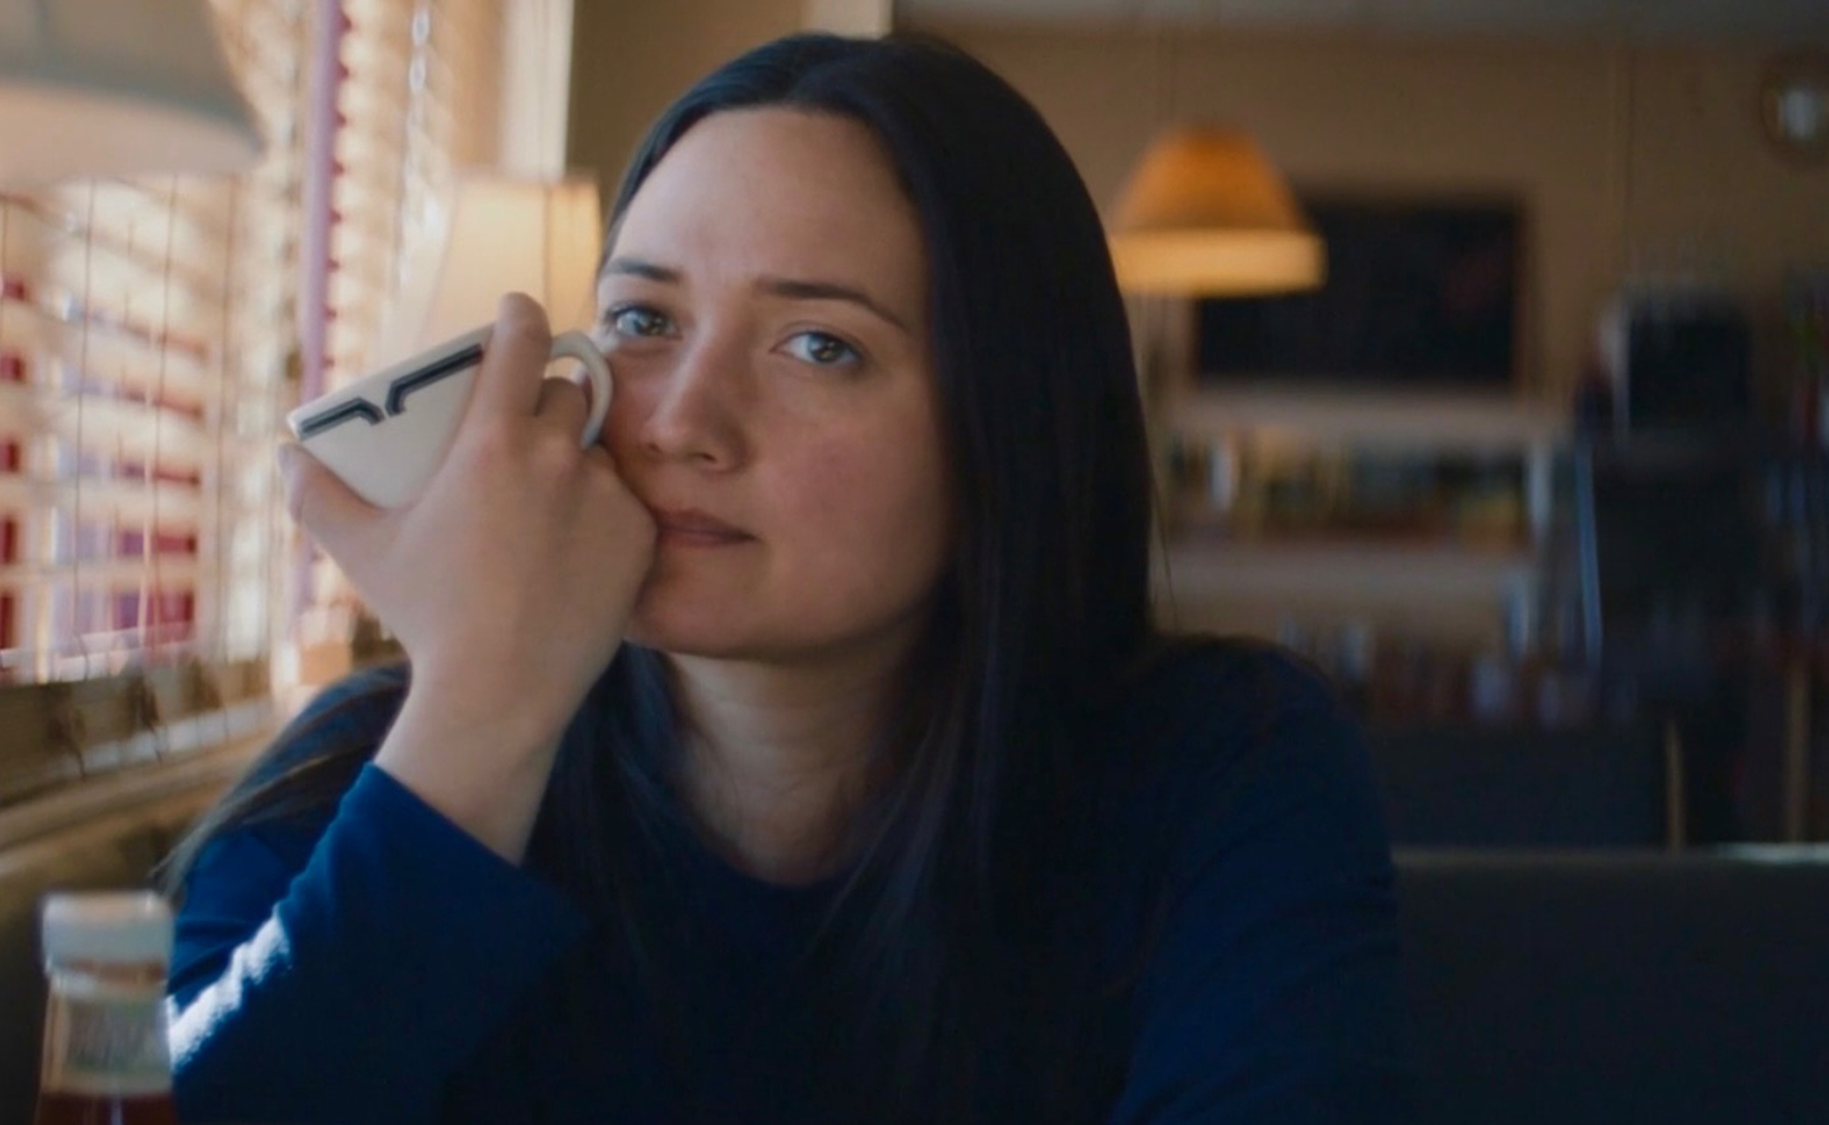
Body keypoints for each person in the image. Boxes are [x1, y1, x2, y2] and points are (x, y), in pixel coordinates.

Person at [159, 31, 1408, 1125]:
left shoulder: (1222, 774)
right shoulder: (366, 784)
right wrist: (483, 700)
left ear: (1007, 429)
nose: (680, 422)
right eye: (643, 323)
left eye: (821, 346)